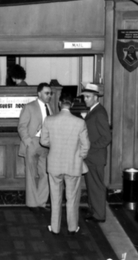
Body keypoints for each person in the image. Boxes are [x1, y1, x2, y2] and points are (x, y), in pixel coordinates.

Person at [39, 96, 89, 234]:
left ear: (59, 103)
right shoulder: (79, 122)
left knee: (55, 198)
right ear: (72, 104)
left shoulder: (49, 120)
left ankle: (55, 228)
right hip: (73, 164)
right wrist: (79, 156)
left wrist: (54, 145)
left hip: (54, 164)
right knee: (72, 198)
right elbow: (86, 145)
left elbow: (43, 141)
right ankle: (72, 227)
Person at [17, 82, 53, 211]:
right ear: (39, 93)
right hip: (32, 143)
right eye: (46, 93)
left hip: (46, 144)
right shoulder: (30, 107)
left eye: (50, 93)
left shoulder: (50, 107)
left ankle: (41, 202)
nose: (49, 95)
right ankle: (32, 203)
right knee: (31, 174)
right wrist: (28, 141)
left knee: (46, 173)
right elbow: (21, 126)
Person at [81, 83, 111, 223]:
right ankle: (93, 210)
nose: (84, 99)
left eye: (87, 97)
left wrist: (90, 147)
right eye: (84, 97)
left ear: (95, 97)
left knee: (97, 187)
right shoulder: (94, 110)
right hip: (92, 157)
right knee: (92, 186)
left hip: (95, 156)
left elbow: (107, 138)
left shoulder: (99, 112)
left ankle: (99, 215)